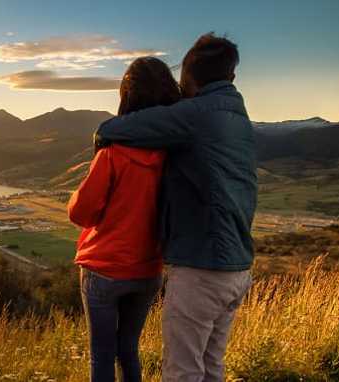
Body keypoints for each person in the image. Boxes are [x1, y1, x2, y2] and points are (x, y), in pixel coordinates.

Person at [95, 33, 257, 381]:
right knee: (211, 367)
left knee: (182, 371)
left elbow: (114, 128)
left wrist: (102, 140)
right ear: (231, 75)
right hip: (237, 267)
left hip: (202, 267)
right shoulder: (237, 115)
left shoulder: (196, 114)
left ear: (188, 77)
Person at [67, 56, 180, 382]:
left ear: (127, 95)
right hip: (148, 269)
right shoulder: (175, 156)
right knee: (128, 350)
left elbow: (81, 212)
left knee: (102, 355)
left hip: (104, 268)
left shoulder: (112, 153)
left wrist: (74, 196)